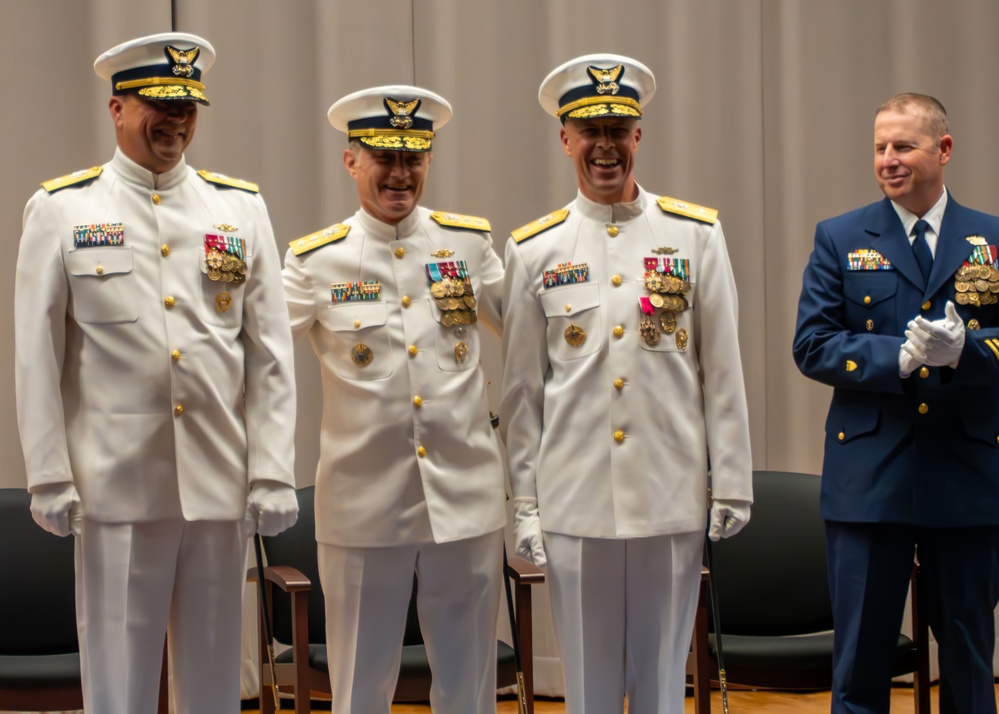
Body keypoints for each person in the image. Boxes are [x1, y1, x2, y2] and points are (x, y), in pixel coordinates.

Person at [14, 33, 299, 713]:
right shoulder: (62, 209)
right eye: (156, 105)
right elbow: (35, 354)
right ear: (116, 108)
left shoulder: (238, 208)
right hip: (115, 484)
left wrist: (272, 468)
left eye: (187, 106)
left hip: (217, 483)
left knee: (212, 679)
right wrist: (49, 472)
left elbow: (269, 354)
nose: (175, 120)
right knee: (118, 679)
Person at [500, 54, 753, 714]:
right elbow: (522, 392)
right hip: (574, 497)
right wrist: (524, 501)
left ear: (638, 135)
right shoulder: (534, 249)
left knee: (664, 676)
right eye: (589, 130)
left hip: (667, 492)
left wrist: (729, 480)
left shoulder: (694, 235)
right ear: (564, 139)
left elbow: (720, 370)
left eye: (618, 128)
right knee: (584, 681)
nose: (604, 146)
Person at [281, 85, 506, 714]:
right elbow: (257, 352)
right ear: (351, 161)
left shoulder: (466, 245)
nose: (400, 173)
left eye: (415, 157)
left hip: (464, 499)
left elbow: (536, 334)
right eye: (384, 157)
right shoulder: (314, 261)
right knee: (359, 688)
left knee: (470, 688)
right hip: (363, 506)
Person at [793, 93, 999, 714]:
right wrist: (898, 360)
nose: (888, 159)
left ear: (944, 149)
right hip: (871, 479)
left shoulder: (990, 237)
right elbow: (812, 344)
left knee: (967, 655)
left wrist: (970, 352)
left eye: (903, 146)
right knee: (860, 659)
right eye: (880, 147)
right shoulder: (841, 236)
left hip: (966, 477)